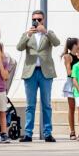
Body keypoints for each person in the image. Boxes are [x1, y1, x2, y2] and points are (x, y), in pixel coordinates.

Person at [16, 10, 60, 142]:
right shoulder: (28, 34)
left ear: (43, 20)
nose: (37, 22)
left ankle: (47, 133)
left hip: (45, 72)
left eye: (39, 19)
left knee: (46, 104)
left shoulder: (48, 34)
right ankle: (28, 133)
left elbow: (57, 42)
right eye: (34, 19)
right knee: (30, 105)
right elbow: (19, 47)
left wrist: (45, 31)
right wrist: (28, 35)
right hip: (31, 72)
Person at [61, 38, 79, 140]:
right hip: (71, 83)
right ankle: (72, 131)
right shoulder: (68, 56)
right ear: (75, 45)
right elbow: (69, 72)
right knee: (72, 108)